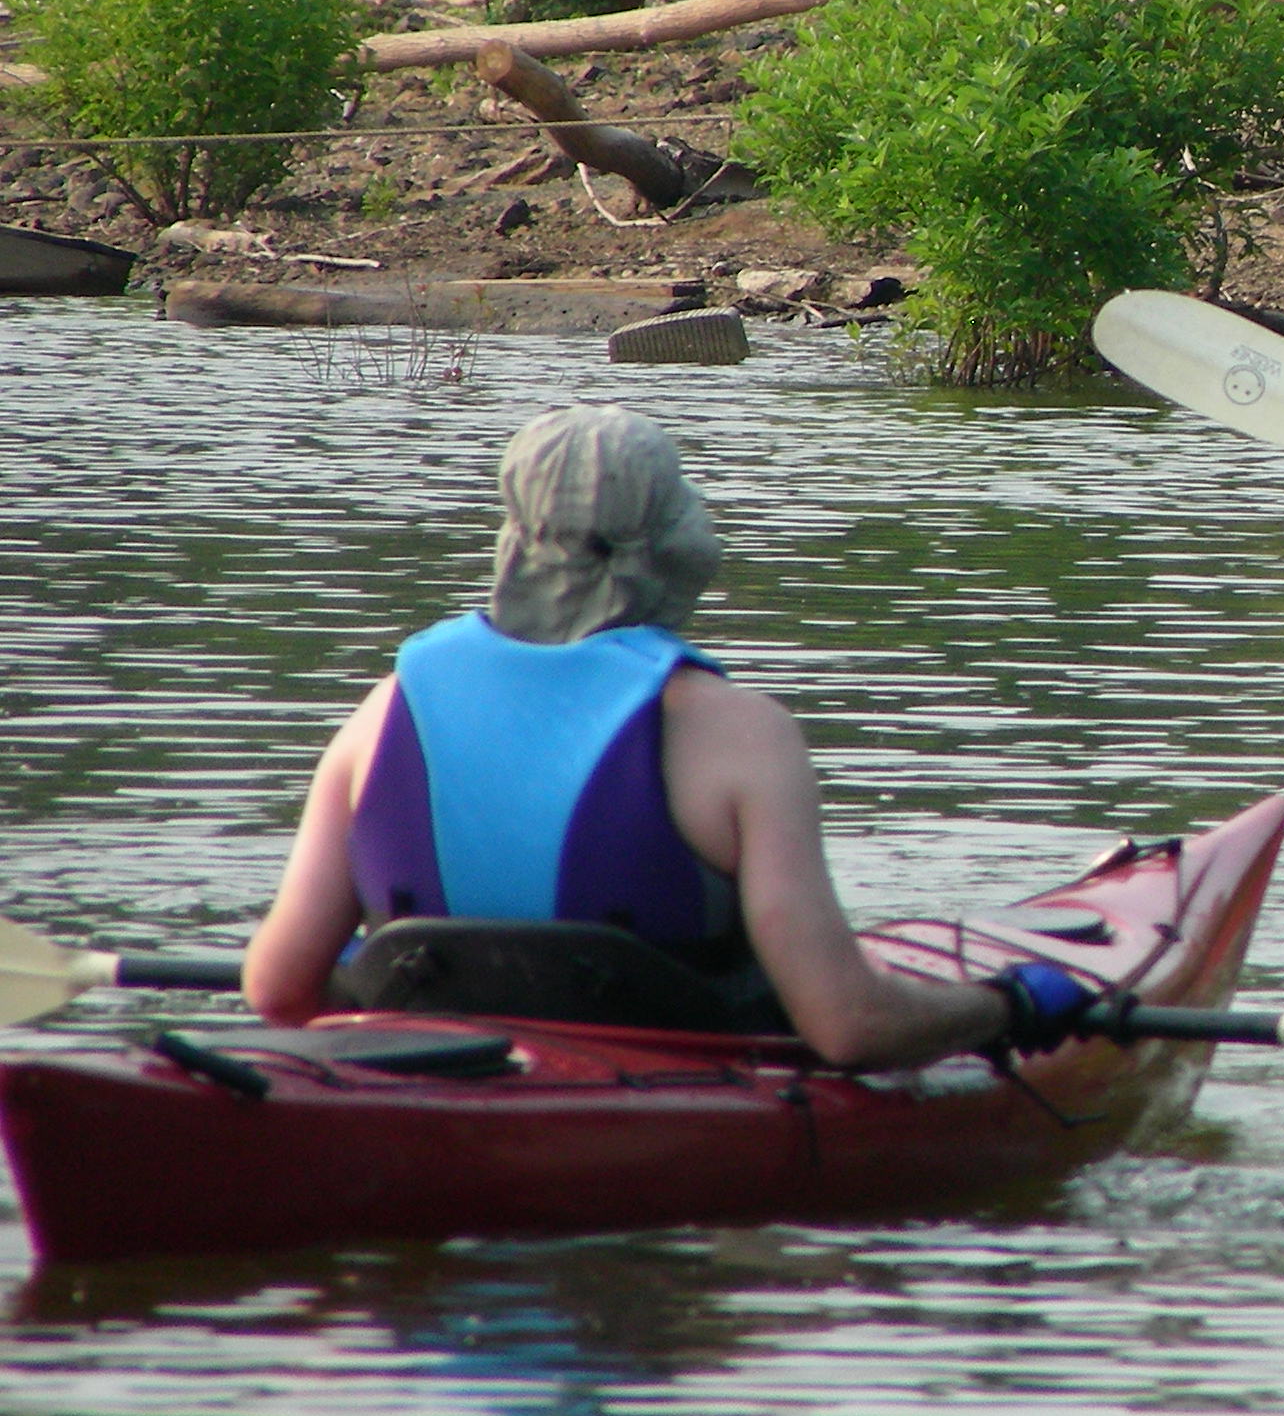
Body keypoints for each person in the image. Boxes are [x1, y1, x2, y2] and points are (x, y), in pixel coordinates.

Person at [243, 404, 1094, 1068]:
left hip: (432, 1077)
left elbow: (278, 988)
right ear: (672, 541)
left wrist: (399, 975)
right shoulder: (741, 735)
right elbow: (848, 1027)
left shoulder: (384, 709)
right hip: (665, 1099)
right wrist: (1005, 1007)